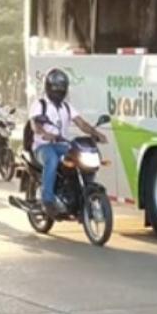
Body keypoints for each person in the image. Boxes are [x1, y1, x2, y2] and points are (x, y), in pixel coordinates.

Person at [30, 68, 107, 213]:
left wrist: (96, 133)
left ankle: (80, 191)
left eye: (62, 88)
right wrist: (44, 133)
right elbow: (35, 124)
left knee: (80, 155)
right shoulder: (40, 104)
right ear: (49, 87)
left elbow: (81, 123)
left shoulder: (66, 106)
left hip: (62, 145)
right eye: (56, 87)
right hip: (43, 147)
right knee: (52, 159)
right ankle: (47, 200)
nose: (59, 91)